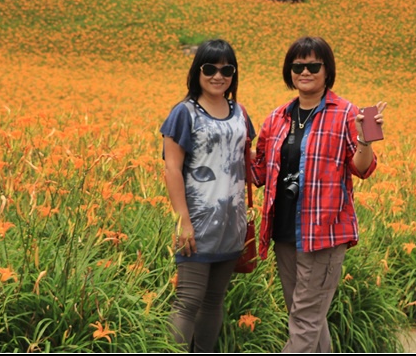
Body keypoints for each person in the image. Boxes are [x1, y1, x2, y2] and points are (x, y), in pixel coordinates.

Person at [252, 36, 386, 353]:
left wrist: (366, 140)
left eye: (314, 65)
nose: (305, 71)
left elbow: (363, 169)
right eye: (298, 66)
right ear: (290, 71)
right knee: (310, 318)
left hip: (324, 233)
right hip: (283, 232)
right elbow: (257, 171)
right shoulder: (277, 117)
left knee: (304, 320)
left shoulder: (347, 113)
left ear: (327, 70)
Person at [160, 39, 255, 352]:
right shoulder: (184, 113)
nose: (219, 75)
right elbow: (172, 169)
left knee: (214, 301)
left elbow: (249, 164)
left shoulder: (240, 113)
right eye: (210, 68)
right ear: (197, 71)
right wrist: (183, 222)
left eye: (227, 69)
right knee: (188, 301)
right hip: (197, 224)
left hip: (232, 225)